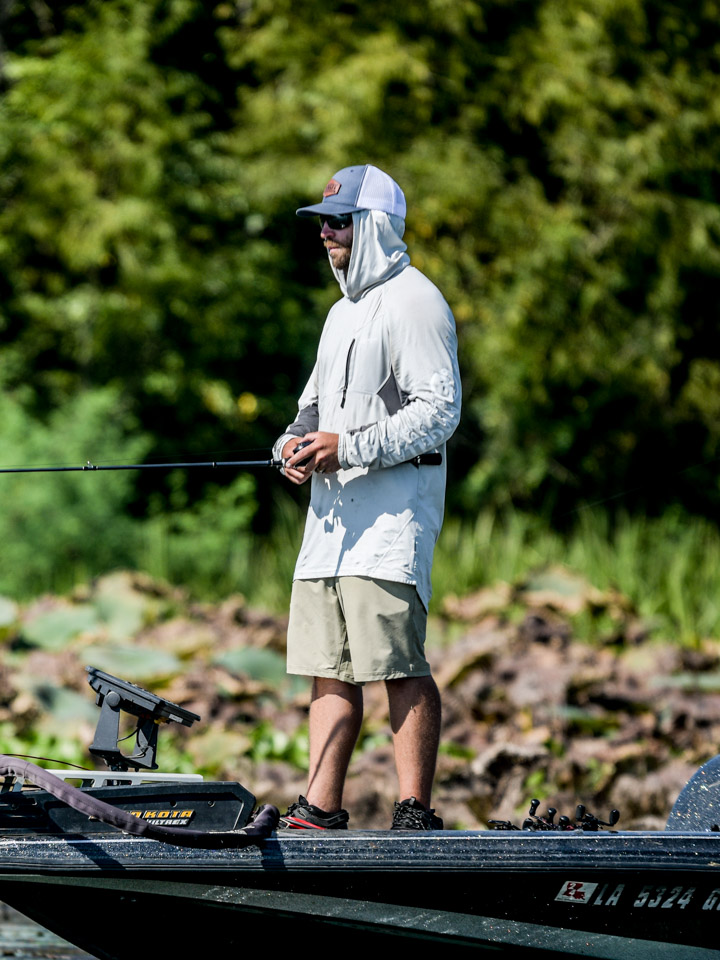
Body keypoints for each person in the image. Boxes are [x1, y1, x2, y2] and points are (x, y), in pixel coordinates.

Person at [272, 164, 460, 831]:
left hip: (389, 525)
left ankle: (415, 812)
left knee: (398, 666)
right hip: (329, 529)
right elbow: (310, 410)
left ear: (374, 225)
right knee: (328, 670)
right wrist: (290, 446)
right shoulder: (339, 314)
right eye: (322, 223)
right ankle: (319, 809)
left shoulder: (416, 301)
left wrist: (347, 447)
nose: (325, 233)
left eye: (338, 222)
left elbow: (439, 412)